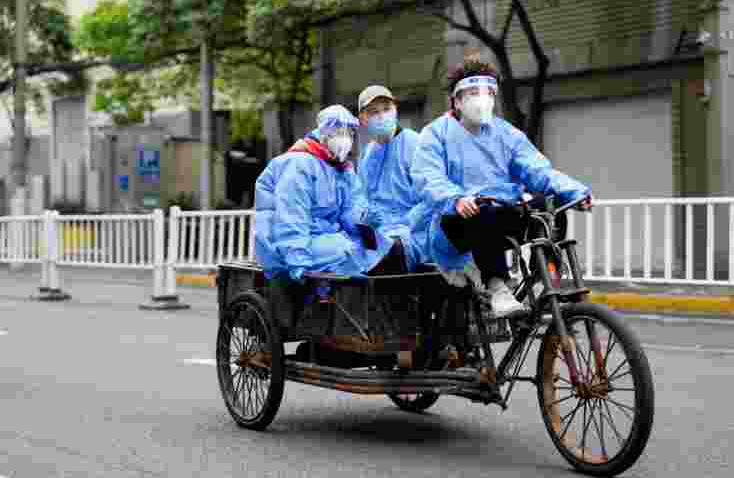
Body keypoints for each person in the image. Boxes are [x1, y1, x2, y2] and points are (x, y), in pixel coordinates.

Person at [408, 60, 592, 317]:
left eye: (487, 94)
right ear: (457, 101)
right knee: (482, 214)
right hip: (454, 220)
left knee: (549, 206)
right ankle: (497, 285)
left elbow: (537, 170)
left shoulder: (506, 134)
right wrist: (456, 198)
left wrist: (575, 192)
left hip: (501, 212)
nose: (481, 101)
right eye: (473, 94)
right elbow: (428, 177)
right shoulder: (435, 134)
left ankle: (548, 275)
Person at [253, 105, 408, 281]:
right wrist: (297, 261)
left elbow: (350, 210)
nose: (346, 139)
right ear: (324, 132)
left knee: (385, 246)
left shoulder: (341, 169)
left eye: (350, 133)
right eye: (339, 132)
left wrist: (365, 219)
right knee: (349, 250)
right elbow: (291, 218)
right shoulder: (298, 164)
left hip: (322, 239)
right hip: (285, 248)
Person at [356, 84, 424, 271]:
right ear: (363, 119)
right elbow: (363, 199)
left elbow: (430, 199)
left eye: (387, 109)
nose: (382, 116)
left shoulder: (414, 143)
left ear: (396, 111)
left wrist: (406, 224)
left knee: (385, 255)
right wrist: (365, 218)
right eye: (373, 112)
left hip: (411, 235)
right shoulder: (367, 155)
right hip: (379, 234)